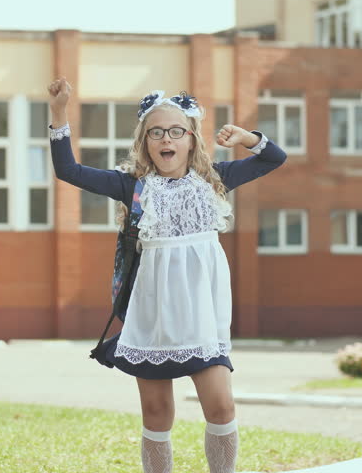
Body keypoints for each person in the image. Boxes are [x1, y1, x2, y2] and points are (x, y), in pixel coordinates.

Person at [47, 77, 286, 473]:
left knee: (222, 405)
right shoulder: (133, 186)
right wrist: (59, 112)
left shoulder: (215, 179)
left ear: (191, 140)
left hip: (202, 315)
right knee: (157, 414)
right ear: (146, 144)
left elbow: (273, 158)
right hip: (154, 314)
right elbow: (67, 170)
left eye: (176, 131)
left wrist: (247, 136)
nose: (166, 139)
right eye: (156, 133)